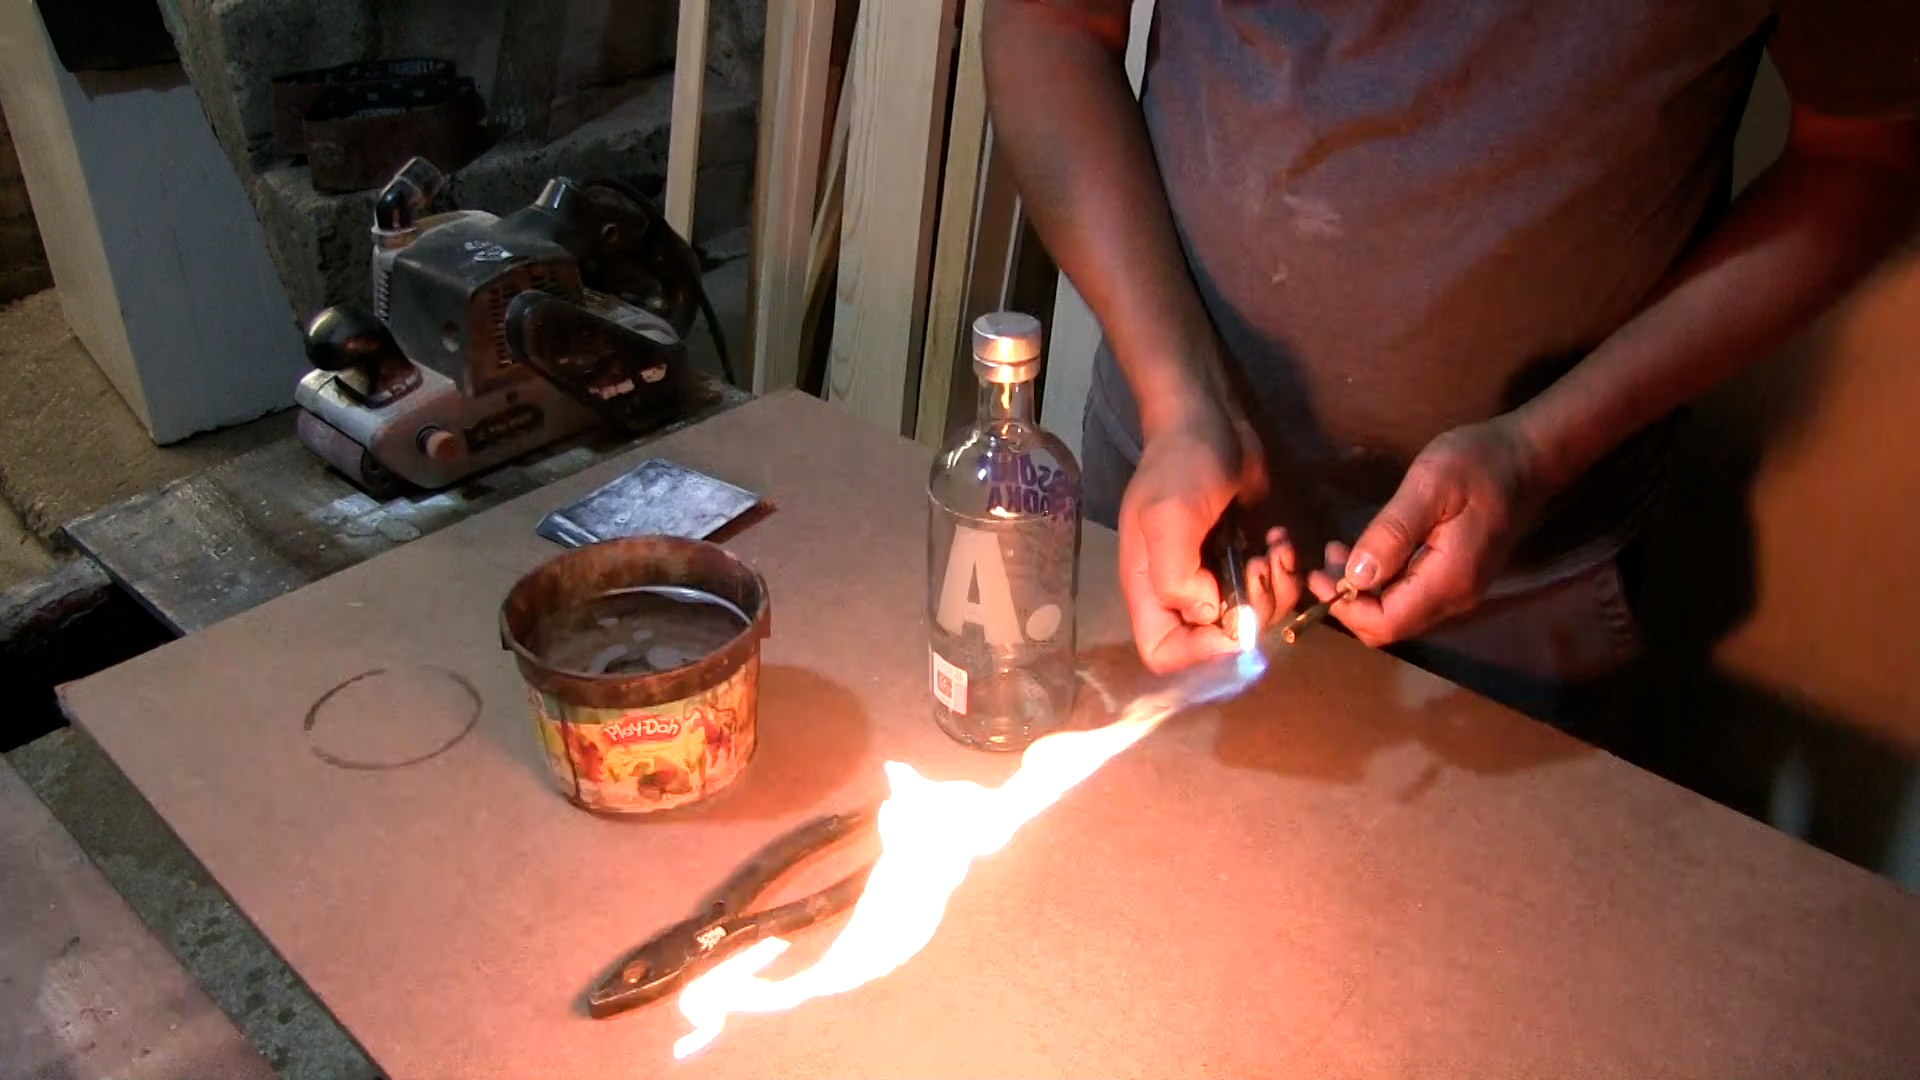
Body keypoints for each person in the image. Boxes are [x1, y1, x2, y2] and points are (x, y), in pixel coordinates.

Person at [982, 0, 1919, 728]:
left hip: (1532, 589)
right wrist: (1179, 399)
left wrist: (1544, 447)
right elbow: (1050, 22)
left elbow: (1868, 155)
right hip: (1174, 503)